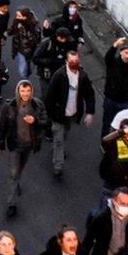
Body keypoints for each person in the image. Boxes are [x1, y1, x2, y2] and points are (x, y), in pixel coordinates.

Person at [0, 80, 49, 218]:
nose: (25, 94)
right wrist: (0, 142)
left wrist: (35, 121)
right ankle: (11, 204)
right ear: (18, 91)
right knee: (13, 173)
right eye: (22, 91)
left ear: (31, 91)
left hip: (29, 145)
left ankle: (16, 183)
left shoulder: (37, 105)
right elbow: (2, 125)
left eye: (28, 91)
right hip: (15, 145)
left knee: (20, 169)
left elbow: (46, 122)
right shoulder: (10, 106)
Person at [44, 51, 95, 180]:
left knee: (63, 134)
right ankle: (58, 167)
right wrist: (51, 115)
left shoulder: (83, 76)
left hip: (72, 115)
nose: (74, 64)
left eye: (76, 61)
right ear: (66, 61)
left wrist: (90, 112)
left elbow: (89, 94)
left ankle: (56, 150)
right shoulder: (59, 75)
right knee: (59, 140)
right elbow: (49, 96)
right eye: (71, 61)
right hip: (58, 115)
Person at [102, 37, 128, 136]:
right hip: (111, 99)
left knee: (122, 125)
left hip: (124, 101)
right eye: (126, 52)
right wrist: (115, 45)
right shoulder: (113, 63)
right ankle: (105, 142)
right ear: (121, 52)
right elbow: (107, 57)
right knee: (107, 122)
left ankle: (117, 144)